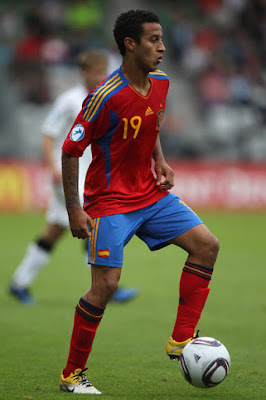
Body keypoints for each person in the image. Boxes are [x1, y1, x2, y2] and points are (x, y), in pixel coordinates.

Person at [59, 9, 219, 395]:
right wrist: (74, 209)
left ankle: (181, 339)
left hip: (150, 194)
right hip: (109, 201)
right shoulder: (103, 97)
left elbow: (152, 122)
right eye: (153, 40)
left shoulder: (161, 84)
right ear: (130, 44)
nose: (163, 48)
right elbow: (70, 149)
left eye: (162, 39)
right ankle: (72, 374)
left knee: (206, 246)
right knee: (106, 285)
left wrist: (159, 159)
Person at [9, 49, 139, 305]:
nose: (102, 76)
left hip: (88, 176)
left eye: (105, 72)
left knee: (54, 231)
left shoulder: (105, 97)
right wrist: (53, 168)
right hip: (68, 177)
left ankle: (19, 283)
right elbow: (48, 135)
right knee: (96, 225)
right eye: (97, 72)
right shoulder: (70, 100)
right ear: (83, 73)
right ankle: (106, 287)